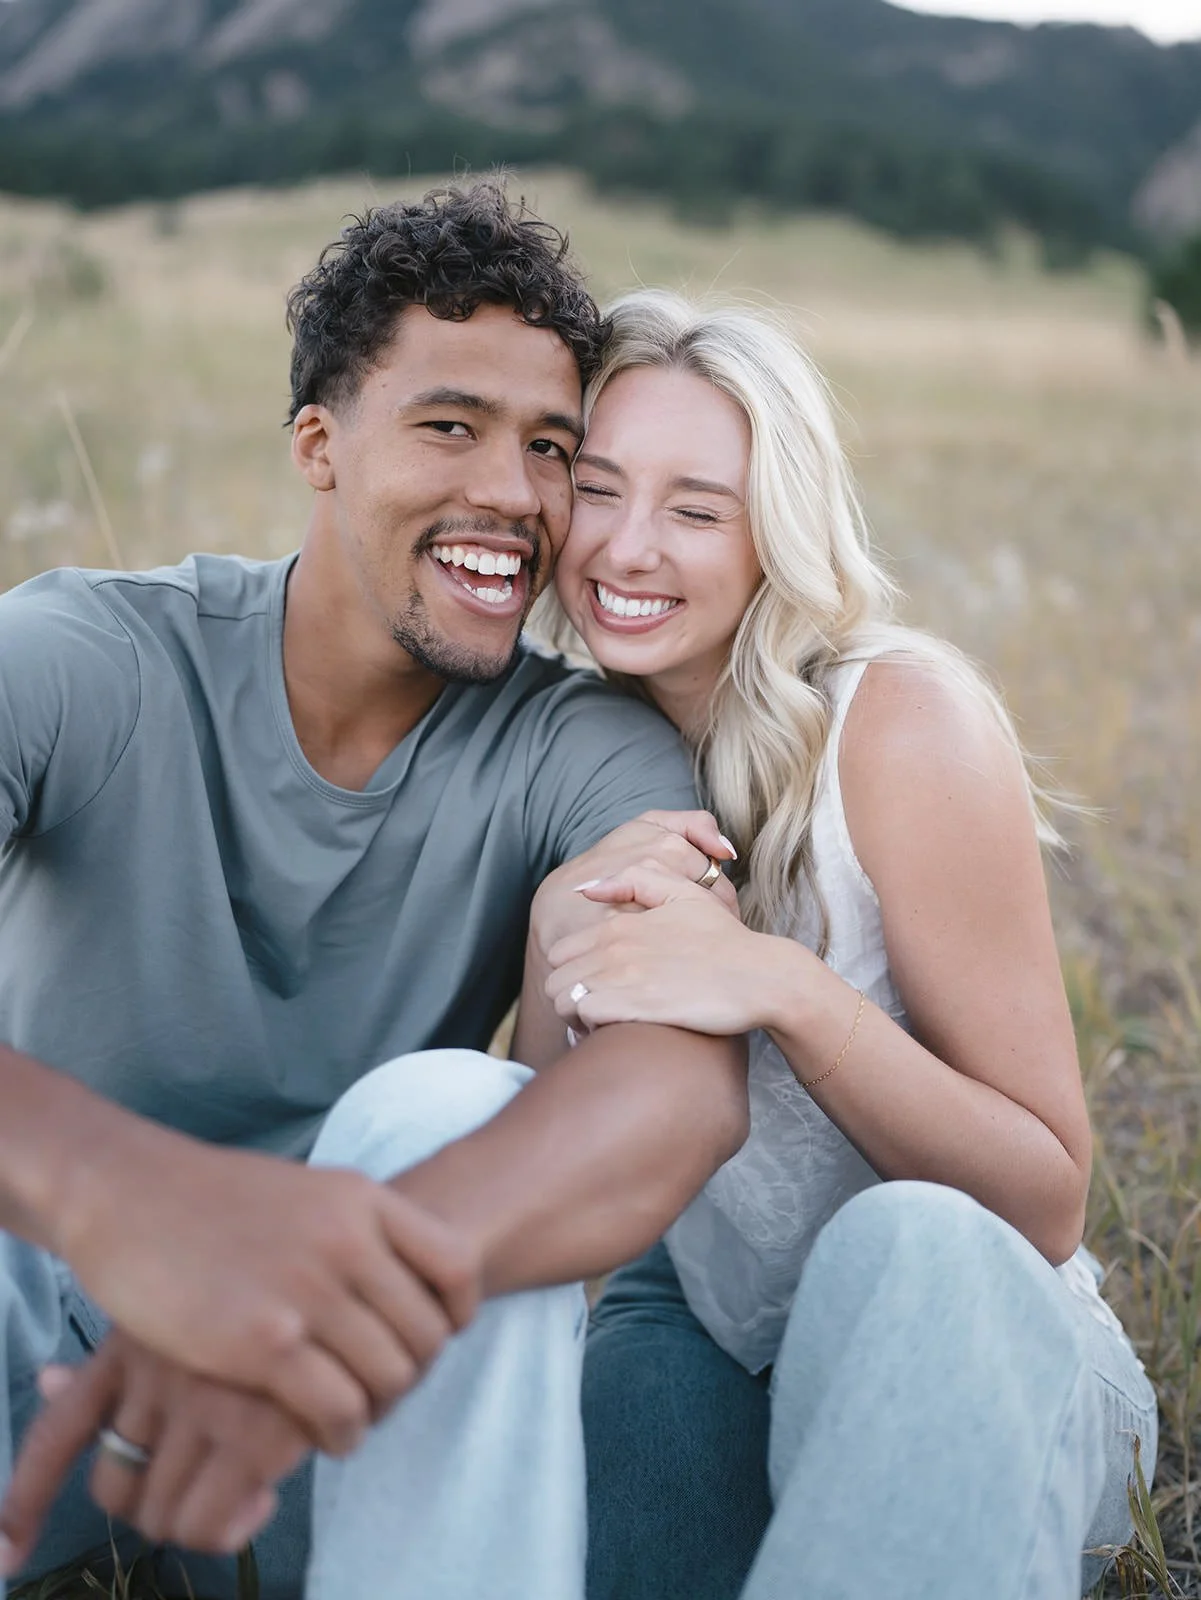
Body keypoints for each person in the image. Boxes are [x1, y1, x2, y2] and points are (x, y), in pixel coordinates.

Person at [0, 188, 749, 1600]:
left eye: (551, 451)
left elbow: (683, 1083)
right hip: (35, 1332)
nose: (513, 498)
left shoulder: (580, 748)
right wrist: (118, 1197)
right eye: (450, 426)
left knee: (458, 1112)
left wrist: (327, 1289)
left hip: (325, 1404)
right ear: (318, 446)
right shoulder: (78, 659)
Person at [519, 289, 1158, 1599]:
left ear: (775, 535)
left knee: (901, 1236)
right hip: (706, 1324)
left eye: (696, 509)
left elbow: (1043, 1203)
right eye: (597, 489)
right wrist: (550, 939)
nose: (628, 549)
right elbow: (552, 1201)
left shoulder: (897, 722)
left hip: (969, 1333)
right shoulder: (556, 743)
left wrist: (787, 991)